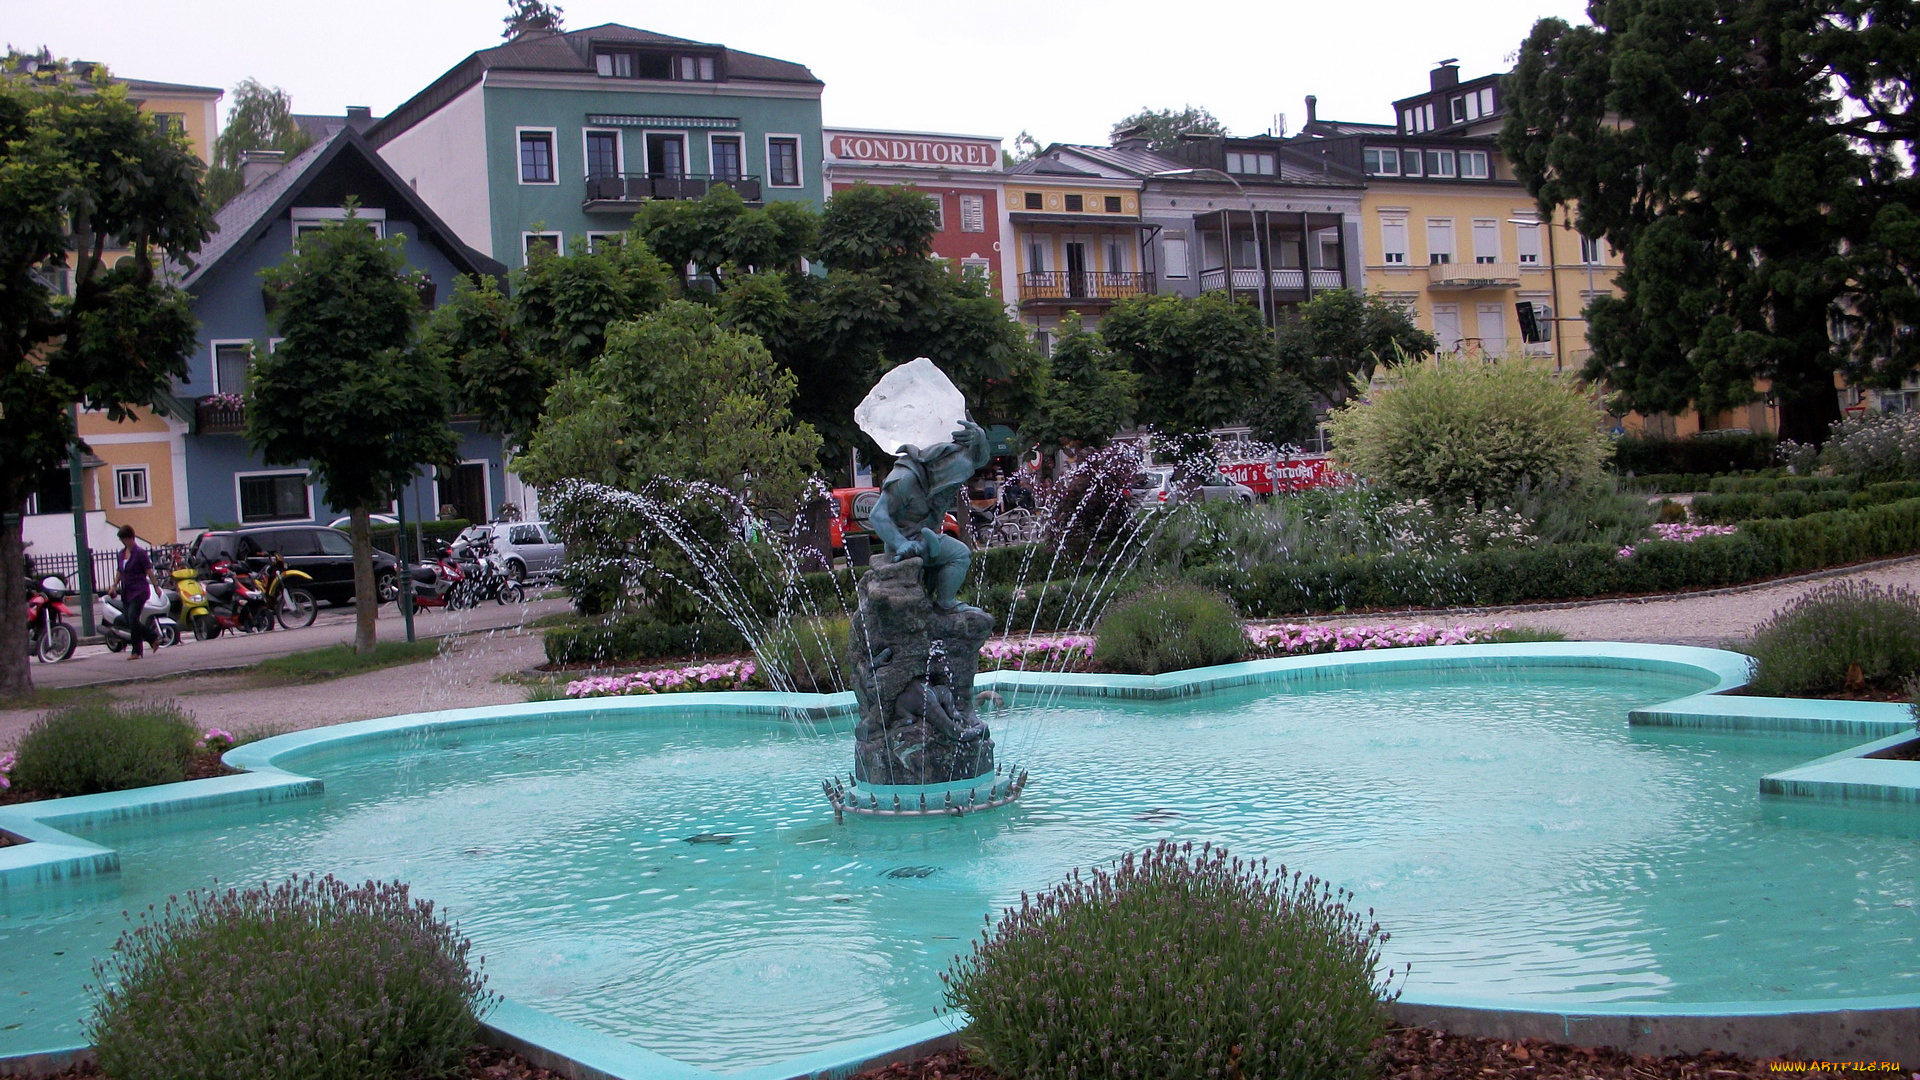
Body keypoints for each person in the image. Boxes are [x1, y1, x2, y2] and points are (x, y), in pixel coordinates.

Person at [115, 524, 155, 660]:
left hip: (139, 590)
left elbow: (149, 571)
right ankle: (153, 637)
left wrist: (156, 586)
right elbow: (120, 571)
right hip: (126, 591)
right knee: (128, 620)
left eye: (125, 539)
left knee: (132, 617)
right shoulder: (121, 554)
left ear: (131, 538)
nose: (124, 542)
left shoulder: (140, 553)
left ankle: (136, 651)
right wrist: (114, 586)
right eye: (122, 540)